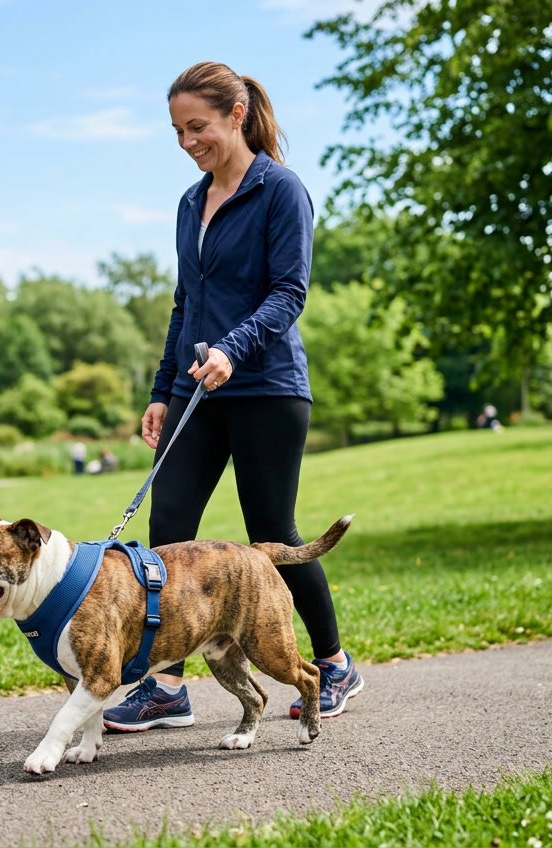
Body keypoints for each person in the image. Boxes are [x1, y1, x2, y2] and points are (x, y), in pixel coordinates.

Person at [102, 61, 362, 733]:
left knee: (270, 536)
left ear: (236, 116)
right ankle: (164, 686)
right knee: (169, 533)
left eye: (199, 126)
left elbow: (289, 294)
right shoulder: (192, 203)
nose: (188, 141)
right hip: (199, 389)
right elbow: (186, 304)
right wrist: (163, 390)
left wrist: (233, 348)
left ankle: (333, 665)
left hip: (266, 387)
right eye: (177, 131)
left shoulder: (281, 191)